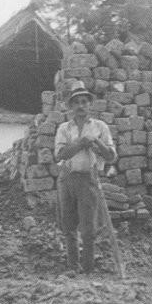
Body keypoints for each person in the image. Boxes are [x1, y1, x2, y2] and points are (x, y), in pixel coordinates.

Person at [54, 80, 116, 273]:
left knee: (88, 228)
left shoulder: (100, 127)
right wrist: (81, 143)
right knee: (68, 225)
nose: (81, 106)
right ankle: (73, 267)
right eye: (77, 102)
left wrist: (96, 141)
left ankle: (88, 269)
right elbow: (60, 154)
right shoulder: (64, 128)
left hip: (89, 178)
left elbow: (112, 157)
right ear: (71, 106)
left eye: (84, 101)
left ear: (90, 104)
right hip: (67, 178)